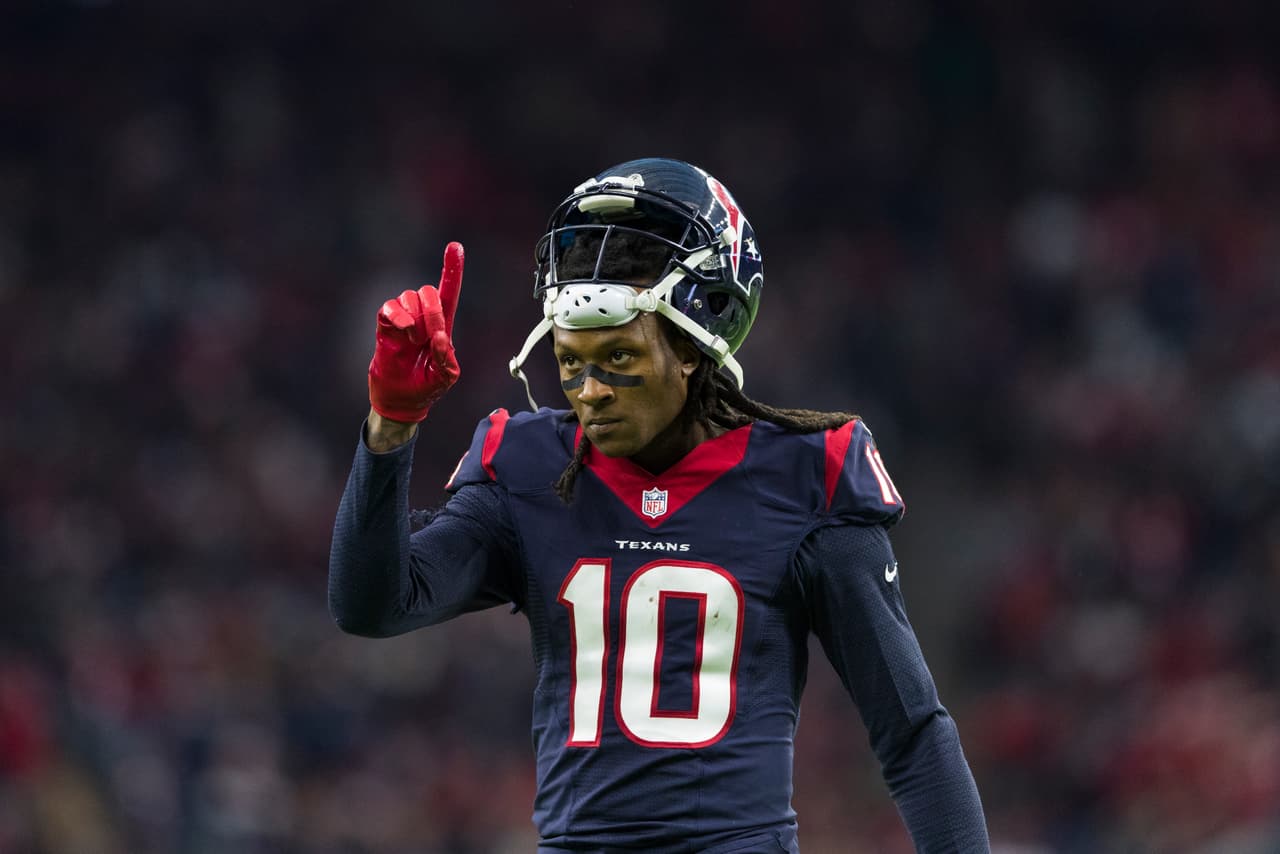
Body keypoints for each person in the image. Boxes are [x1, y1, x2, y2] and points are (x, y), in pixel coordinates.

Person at [329, 158, 989, 852]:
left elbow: (911, 733)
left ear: (693, 346)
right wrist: (390, 427)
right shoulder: (527, 467)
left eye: (618, 357)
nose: (589, 391)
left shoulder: (807, 476)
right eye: (570, 360)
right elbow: (371, 604)